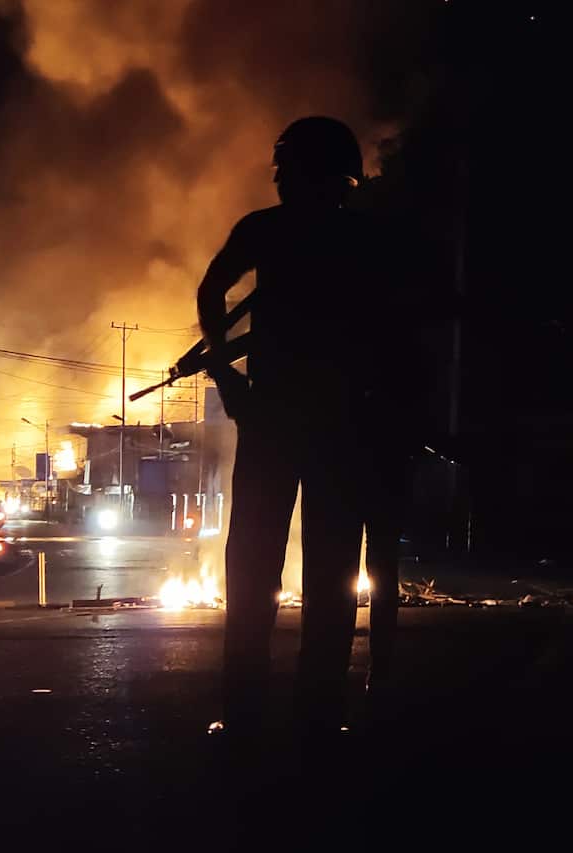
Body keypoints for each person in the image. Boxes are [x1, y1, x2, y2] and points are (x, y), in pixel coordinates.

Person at [196, 116, 418, 743]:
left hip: (275, 418)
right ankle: (318, 712)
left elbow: (213, 290)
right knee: (329, 573)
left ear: (298, 172)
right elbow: (395, 333)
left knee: (254, 566)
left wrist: (226, 374)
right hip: (341, 426)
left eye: (286, 167)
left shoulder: (265, 230)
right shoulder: (366, 240)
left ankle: (244, 712)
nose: (279, 177)